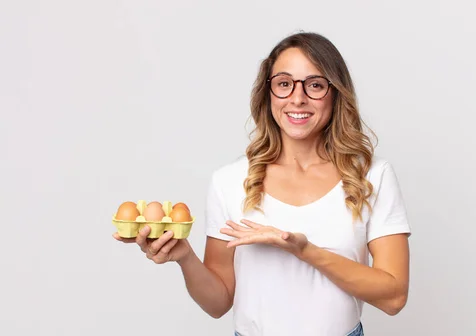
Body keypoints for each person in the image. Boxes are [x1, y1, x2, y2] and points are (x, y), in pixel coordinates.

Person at [113, 32, 411, 336]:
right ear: (268, 94)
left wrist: (304, 250)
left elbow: (394, 298)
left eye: (315, 85)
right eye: (284, 84)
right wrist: (185, 257)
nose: (298, 98)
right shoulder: (229, 181)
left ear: (335, 93)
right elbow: (218, 304)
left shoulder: (372, 177)